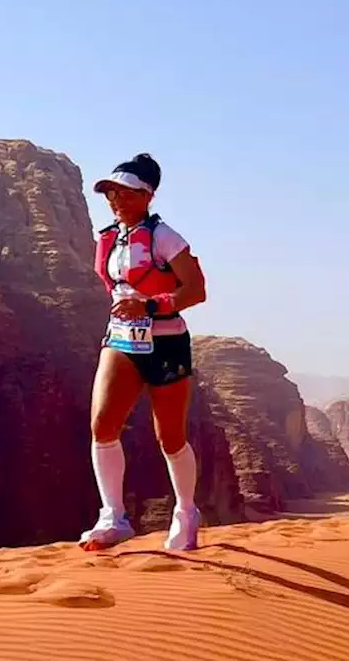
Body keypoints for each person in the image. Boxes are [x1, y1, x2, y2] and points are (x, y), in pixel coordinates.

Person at [78, 153, 207, 552]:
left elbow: (197, 289)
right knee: (102, 424)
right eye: (111, 192)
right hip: (121, 340)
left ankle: (186, 512)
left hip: (166, 341)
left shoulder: (166, 237)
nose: (115, 198)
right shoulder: (107, 238)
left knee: (169, 437)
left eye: (124, 192)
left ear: (146, 195)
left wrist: (150, 306)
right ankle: (112, 517)